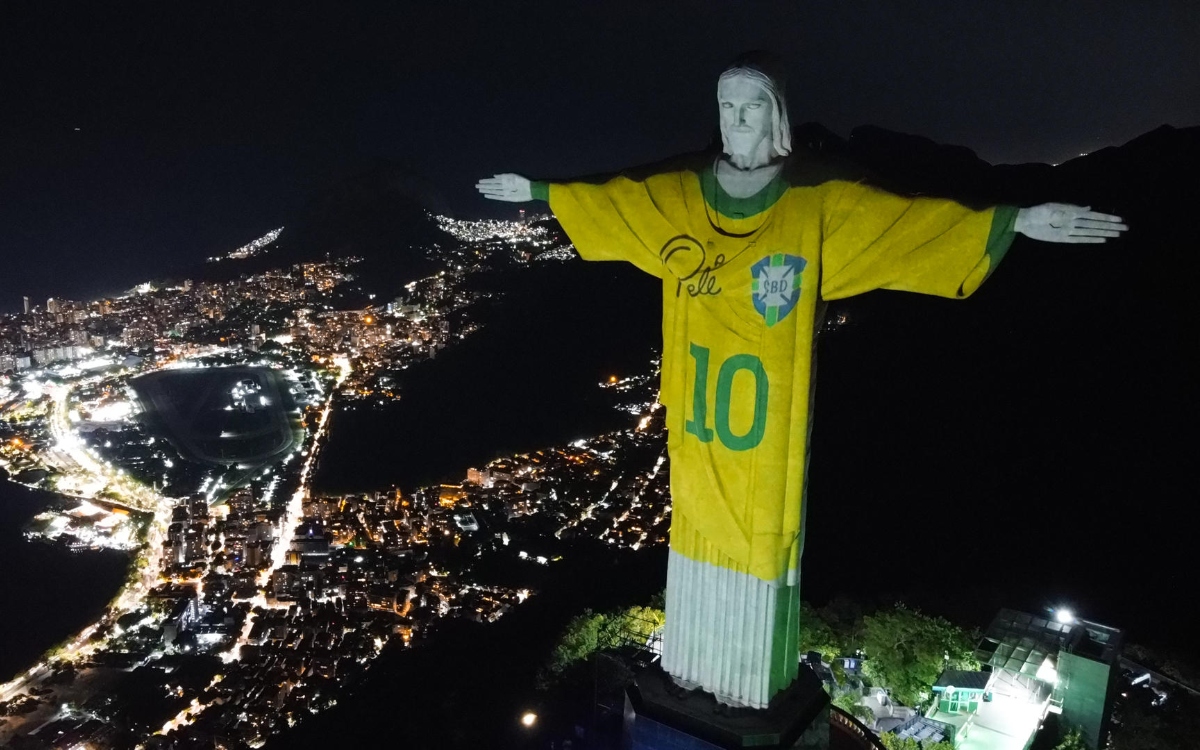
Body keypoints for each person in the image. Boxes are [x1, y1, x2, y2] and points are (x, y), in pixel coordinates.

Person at [476, 52, 1127, 709]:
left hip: (766, 427)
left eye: (752, 105)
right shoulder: (683, 196)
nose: (737, 118)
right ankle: (692, 674)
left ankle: (746, 687)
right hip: (700, 420)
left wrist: (1015, 221)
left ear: (777, 114)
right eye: (727, 106)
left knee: (765, 539)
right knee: (692, 526)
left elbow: (907, 222)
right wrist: (539, 191)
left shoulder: (815, 200)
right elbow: (618, 202)